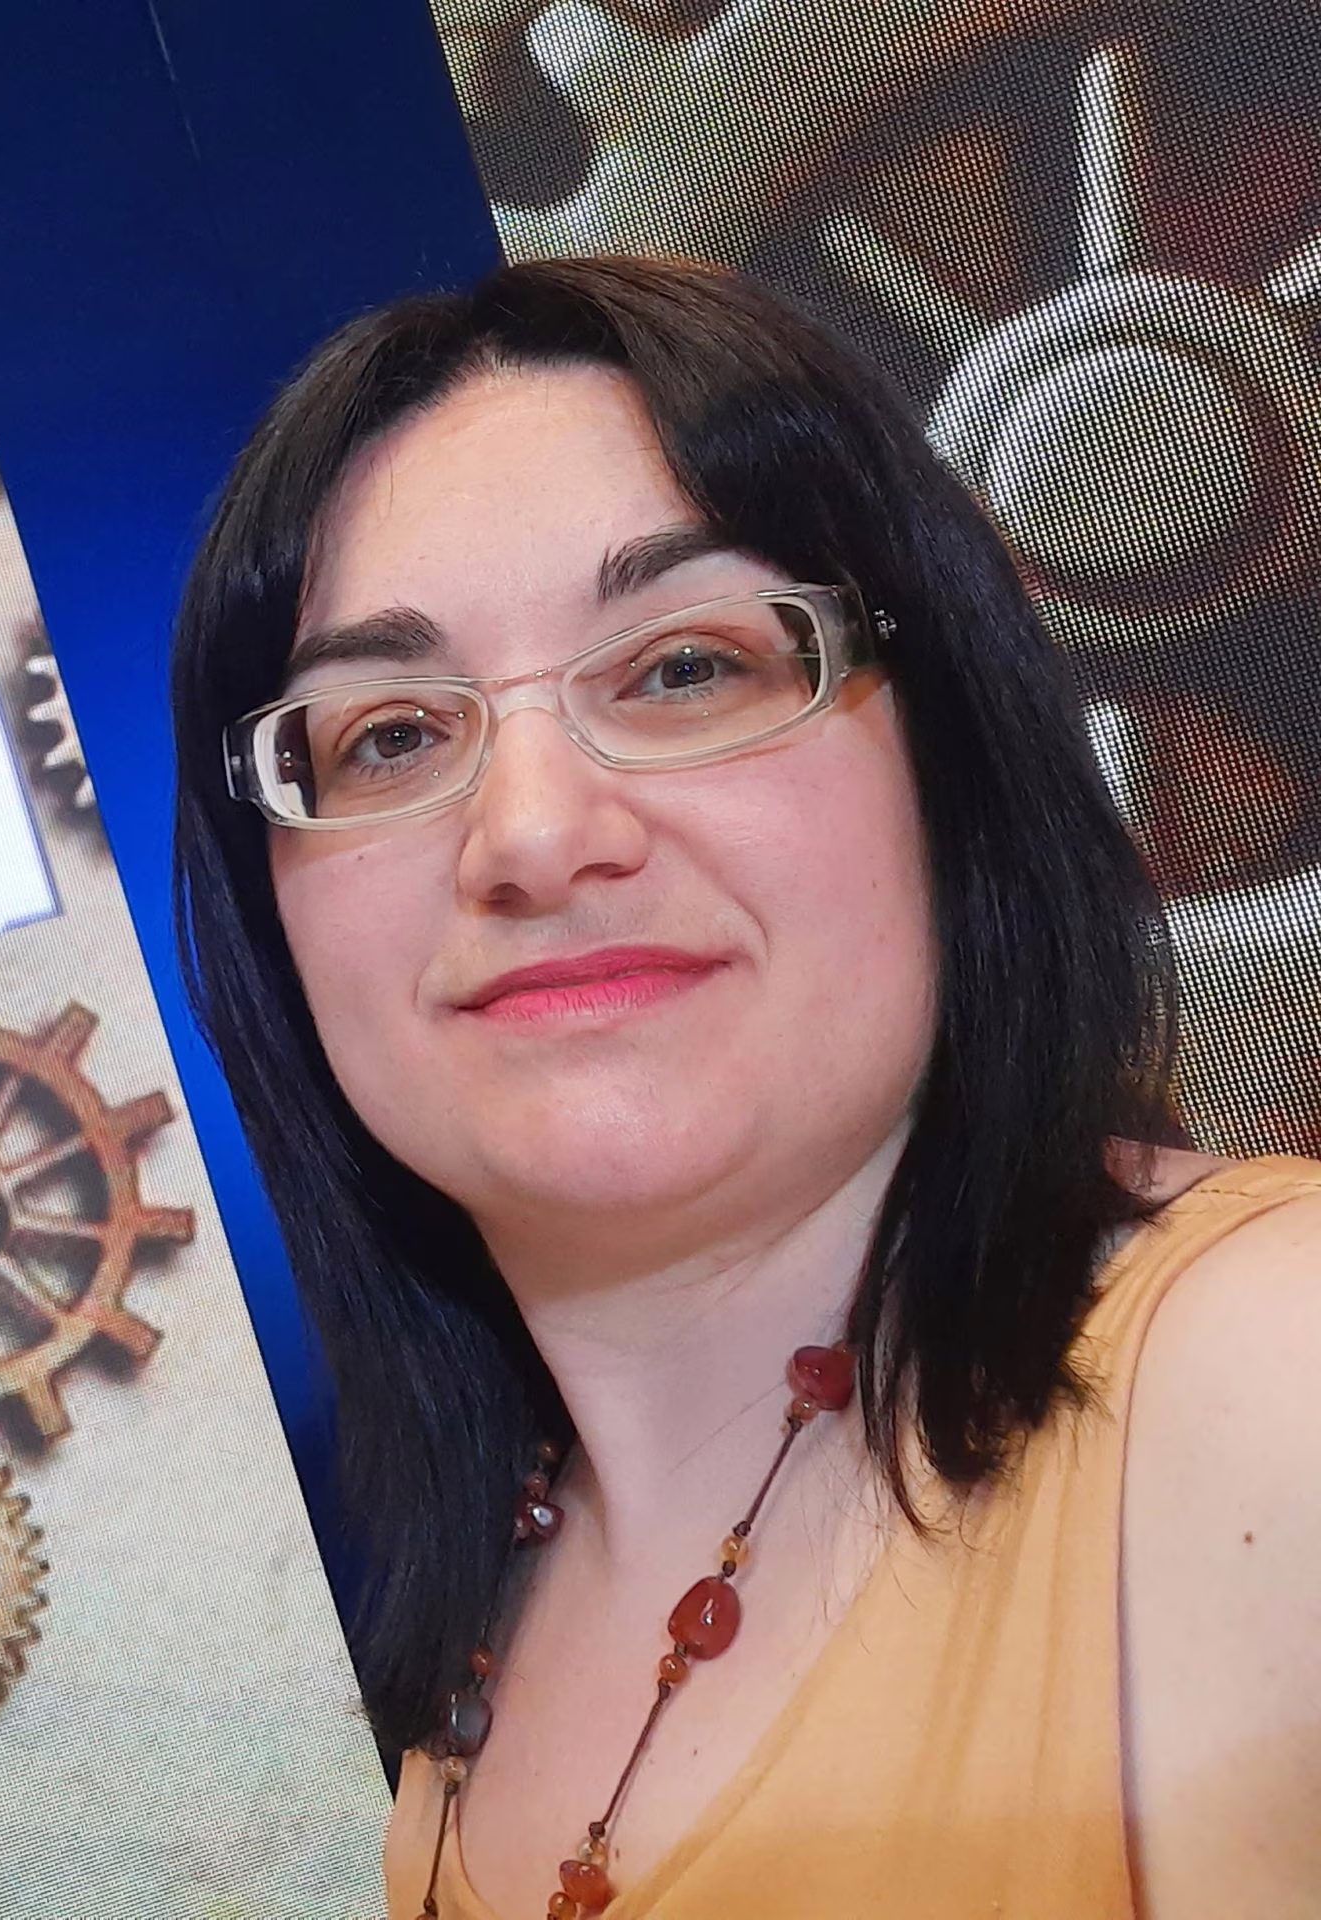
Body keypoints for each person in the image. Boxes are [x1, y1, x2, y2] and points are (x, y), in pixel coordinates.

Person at [166, 257, 1321, 1920]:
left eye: (684, 668)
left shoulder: (1266, 1377)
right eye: (393, 737)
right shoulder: (499, 1586)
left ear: (949, 750)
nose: (534, 834)